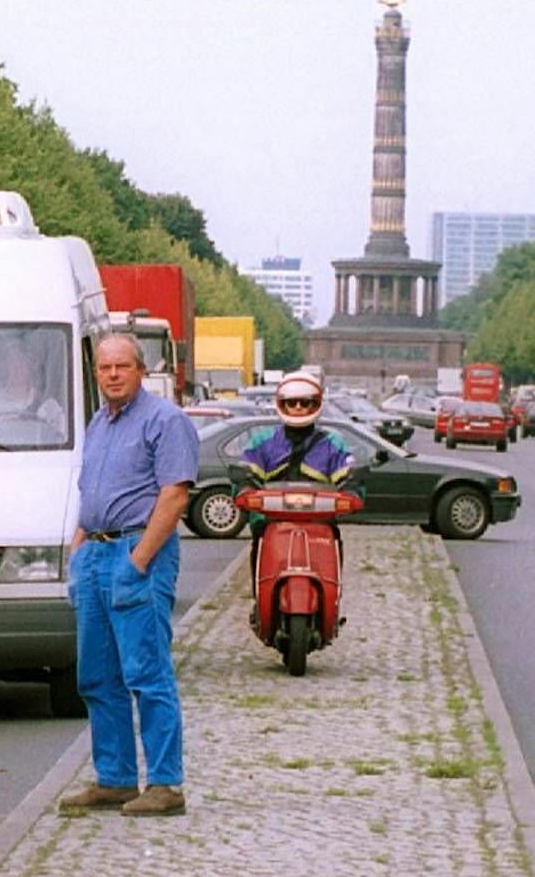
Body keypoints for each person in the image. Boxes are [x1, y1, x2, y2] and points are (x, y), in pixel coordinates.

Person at [59, 331, 201, 818]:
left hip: (138, 553)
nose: (113, 375)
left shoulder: (166, 420)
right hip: (95, 556)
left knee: (146, 672)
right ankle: (116, 778)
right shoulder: (99, 423)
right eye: (104, 368)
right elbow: (91, 497)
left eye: (122, 366)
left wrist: (139, 558)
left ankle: (165, 783)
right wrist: (78, 554)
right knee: (97, 676)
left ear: (141, 370)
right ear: (95, 374)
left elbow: (175, 495)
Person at [230, 372, 360, 586]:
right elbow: (247, 470)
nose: (298, 407)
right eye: (292, 402)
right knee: (259, 543)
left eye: (305, 402)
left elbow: (347, 470)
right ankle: (260, 600)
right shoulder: (262, 441)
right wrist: (244, 488)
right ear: (282, 404)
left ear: (316, 404)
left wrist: (352, 488)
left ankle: (332, 596)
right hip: (270, 521)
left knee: (334, 541)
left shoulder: (332, 443)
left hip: (320, 521)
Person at [0, 339, 64, 426]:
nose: (17, 367)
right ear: (4, 366)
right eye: (12, 360)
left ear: (33, 366)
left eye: (23, 361)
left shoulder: (48, 406)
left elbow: (61, 437)